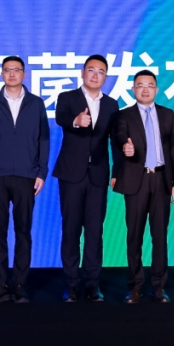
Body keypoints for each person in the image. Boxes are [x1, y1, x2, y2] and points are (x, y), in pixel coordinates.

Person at [0, 56, 49, 305]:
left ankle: (20, 285)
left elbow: (44, 139)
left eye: (16, 70)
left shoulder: (36, 103)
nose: (12, 74)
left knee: (23, 231)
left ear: (24, 74)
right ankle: (2, 285)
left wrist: (41, 172)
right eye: (7, 70)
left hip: (26, 174)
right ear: (1, 74)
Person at [111, 69, 174, 304]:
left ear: (156, 89)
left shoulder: (167, 115)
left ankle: (159, 286)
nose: (145, 89)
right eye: (140, 85)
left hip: (161, 180)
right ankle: (135, 286)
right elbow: (119, 137)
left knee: (159, 236)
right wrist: (126, 147)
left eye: (150, 85)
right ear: (133, 89)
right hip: (136, 180)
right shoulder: (123, 115)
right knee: (134, 236)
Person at [52, 54, 119, 302]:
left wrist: (117, 171)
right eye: (91, 70)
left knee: (94, 231)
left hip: (98, 175)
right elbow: (60, 118)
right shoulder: (67, 98)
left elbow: (115, 140)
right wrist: (76, 121)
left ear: (105, 77)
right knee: (70, 230)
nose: (95, 75)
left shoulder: (111, 104)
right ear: (82, 73)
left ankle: (92, 284)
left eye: (100, 71)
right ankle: (71, 284)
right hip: (71, 174)